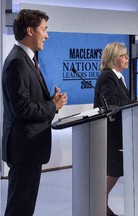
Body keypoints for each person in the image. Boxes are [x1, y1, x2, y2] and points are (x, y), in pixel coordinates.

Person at [1, 9, 68, 216]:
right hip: (24, 148)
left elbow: (27, 102)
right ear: (30, 31)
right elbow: (22, 109)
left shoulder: (25, 59)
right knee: (20, 207)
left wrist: (50, 102)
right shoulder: (17, 62)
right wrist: (52, 107)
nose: (46, 35)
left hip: (29, 147)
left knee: (24, 205)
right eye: (44, 29)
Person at [93, 42, 136, 216]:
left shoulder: (116, 76)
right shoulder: (108, 76)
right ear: (113, 58)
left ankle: (100, 204)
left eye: (126, 55)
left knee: (116, 169)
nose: (127, 58)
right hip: (111, 129)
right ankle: (98, 203)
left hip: (119, 128)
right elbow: (111, 103)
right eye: (123, 55)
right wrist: (135, 104)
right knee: (115, 169)